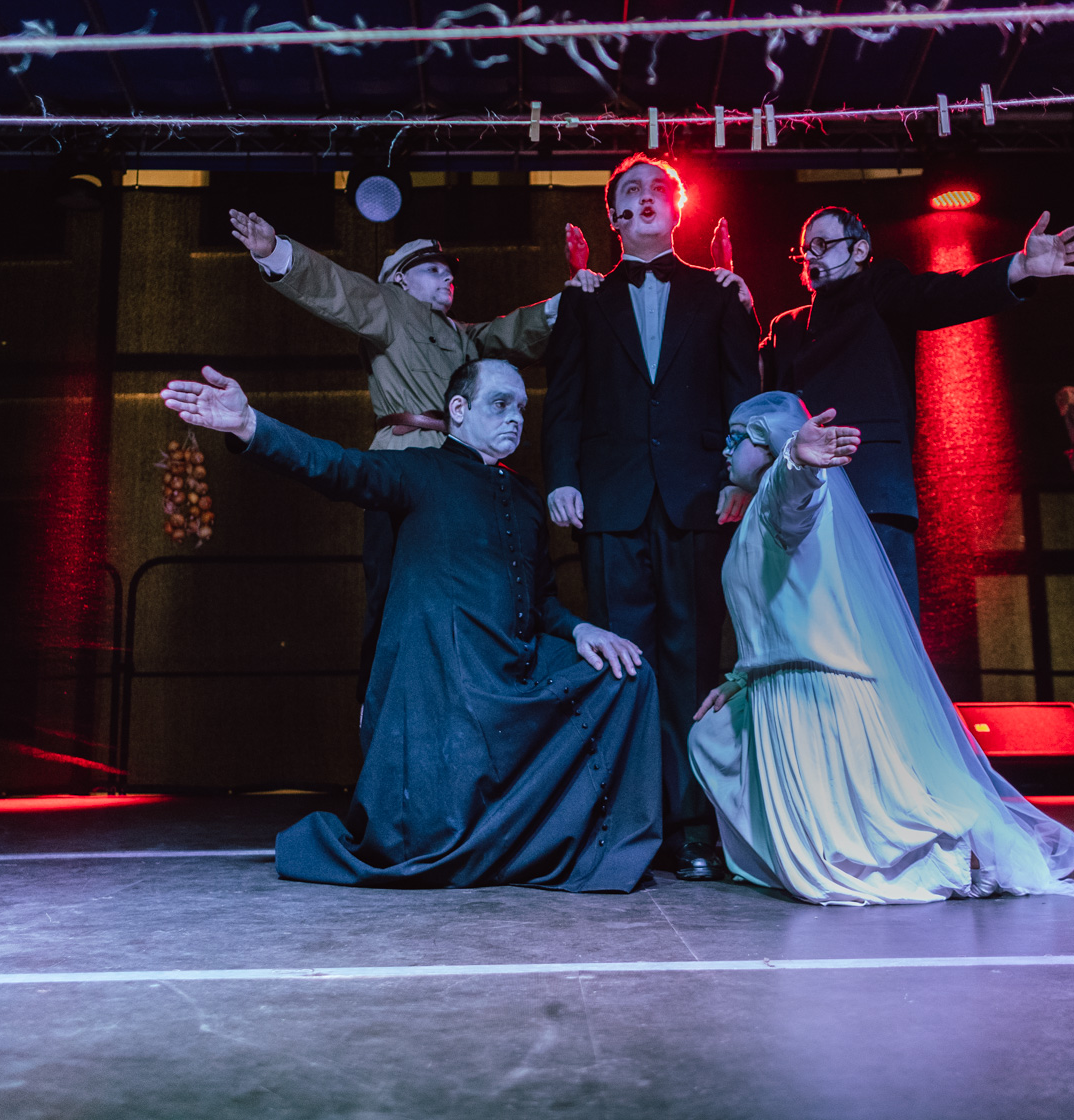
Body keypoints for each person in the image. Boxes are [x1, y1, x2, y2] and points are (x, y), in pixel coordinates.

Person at [161, 357, 662, 890]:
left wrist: (582, 630)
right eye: (500, 404)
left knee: (628, 676)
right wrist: (248, 424)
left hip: (513, 668)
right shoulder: (418, 470)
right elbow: (333, 466)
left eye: (521, 407)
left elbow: (541, 601)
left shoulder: (525, 496)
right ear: (459, 409)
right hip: (444, 678)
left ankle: (564, 844)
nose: (516, 417)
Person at [688, 392, 1074, 904]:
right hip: (779, 683)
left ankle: (961, 854)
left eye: (735, 438)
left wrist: (797, 463)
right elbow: (766, 610)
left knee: (862, 846)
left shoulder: (782, 494)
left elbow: (793, 503)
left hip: (814, 691)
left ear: (768, 444)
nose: (724, 450)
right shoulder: (756, 507)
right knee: (714, 735)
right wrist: (741, 680)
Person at [227, 209, 604, 695]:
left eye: (449, 271)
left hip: (463, 474)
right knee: (392, 589)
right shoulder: (390, 307)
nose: (447, 277)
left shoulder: (462, 336)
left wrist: (570, 292)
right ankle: (377, 702)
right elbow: (339, 288)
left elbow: (510, 333)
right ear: (400, 279)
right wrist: (276, 252)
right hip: (408, 465)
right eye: (432, 269)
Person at [542, 154, 762, 882]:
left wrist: (740, 480)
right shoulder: (584, 300)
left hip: (698, 498)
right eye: (628, 193)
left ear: (677, 209)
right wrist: (562, 478)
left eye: (656, 191)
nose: (643, 200)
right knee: (619, 665)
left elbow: (744, 396)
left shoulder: (720, 293)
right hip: (610, 502)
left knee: (691, 664)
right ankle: (626, 828)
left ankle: (692, 828)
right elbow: (565, 398)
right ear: (613, 216)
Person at [758, 206, 1074, 619]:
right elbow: (752, 389)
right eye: (806, 249)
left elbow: (939, 294)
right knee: (811, 626)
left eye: (823, 245)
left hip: (871, 489)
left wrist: (1020, 267)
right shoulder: (787, 327)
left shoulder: (878, 287)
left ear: (859, 250)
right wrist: (731, 294)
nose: (812, 256)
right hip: (801, 499)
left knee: (883, 623)